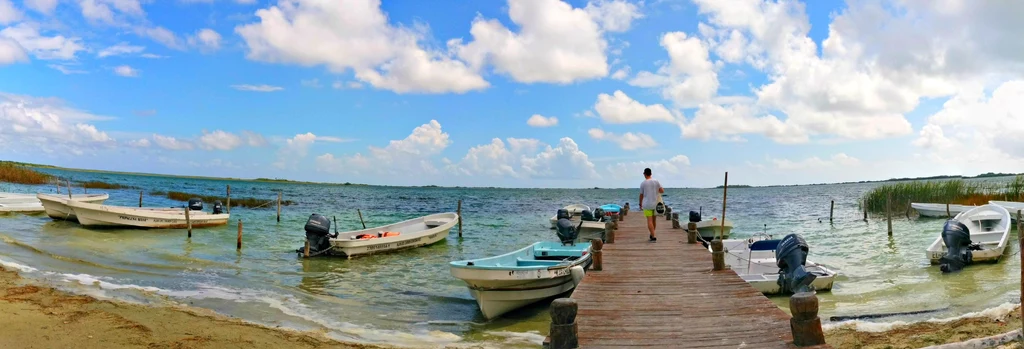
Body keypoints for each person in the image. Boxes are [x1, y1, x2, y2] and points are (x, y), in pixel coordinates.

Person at [638, 168, 664, 242]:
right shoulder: (656, 181)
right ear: (651, 173)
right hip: (655, 203)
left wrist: (640, 204)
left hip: (647, 204)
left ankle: (653, 236)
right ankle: (652, 234)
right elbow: (662, 191)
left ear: (644, 174)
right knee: (654, 220)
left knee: (649, 221)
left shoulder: (643, 183)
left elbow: (641, 195)